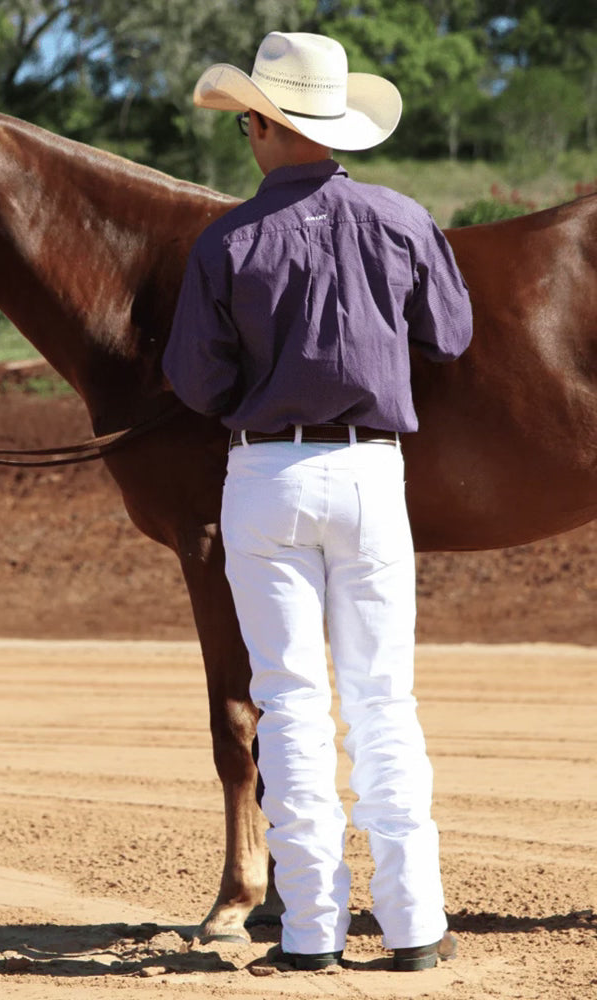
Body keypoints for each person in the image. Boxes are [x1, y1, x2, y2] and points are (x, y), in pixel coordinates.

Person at [164, 32, 473, 972]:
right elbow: (451, 336)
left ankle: (309, 934)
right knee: (385, 700)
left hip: (268, 476)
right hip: (375, 474)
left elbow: (196, 381)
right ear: (334, 125)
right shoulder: (402, 218)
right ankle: (415, 926)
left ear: (260, 126)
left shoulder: (224, 241)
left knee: (290, 703)